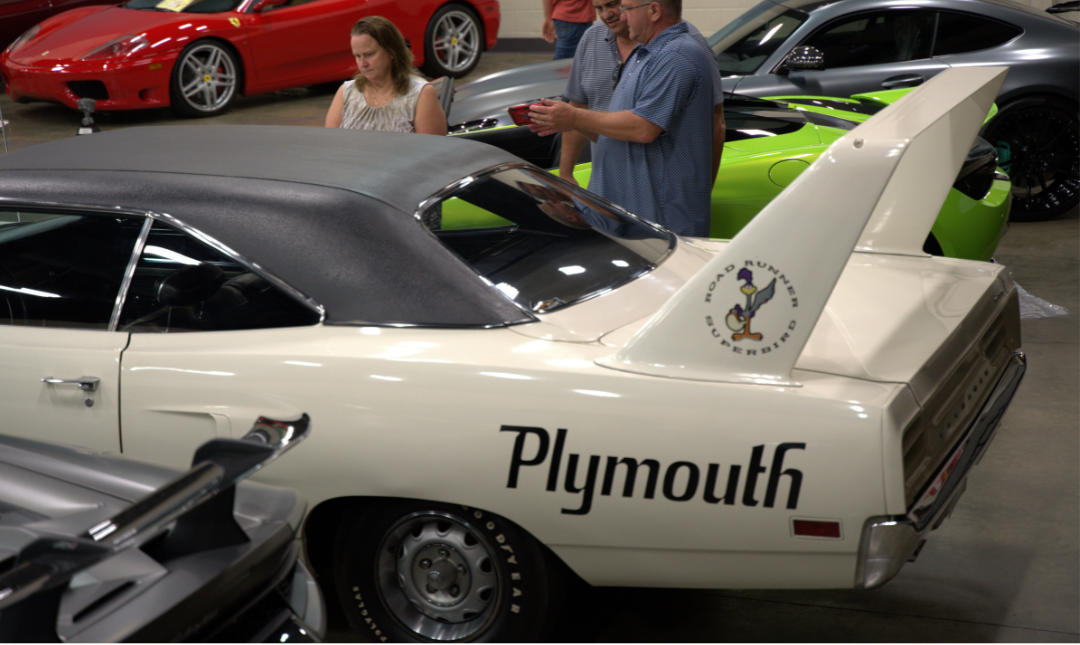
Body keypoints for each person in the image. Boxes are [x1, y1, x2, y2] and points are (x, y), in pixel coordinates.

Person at [530, 0, 718, 237]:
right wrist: (570, 121)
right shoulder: (645, 54)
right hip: (623, 211)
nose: (622, 16)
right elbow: (617, 133)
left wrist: (574, 116)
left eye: (626, 8)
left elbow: (642, 129)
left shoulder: (677, 56)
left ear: (654, 10)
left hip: (659, 215)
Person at [557, 0, 725, 190]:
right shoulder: (591, 39)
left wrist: (703, 190)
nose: (606, 15)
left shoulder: (682, 47)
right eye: (599, 8)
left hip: (661, 187)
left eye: (614, 5)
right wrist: (565, 174)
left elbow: (715, 121)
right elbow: (578, 106)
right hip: (608, 183)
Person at [325, 16, 447, 135]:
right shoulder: (346, 92)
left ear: (392, 51)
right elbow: (331, 144)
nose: (363, 64)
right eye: (358, 56)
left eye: (369, 54)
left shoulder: (421, 94)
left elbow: (433, 151)